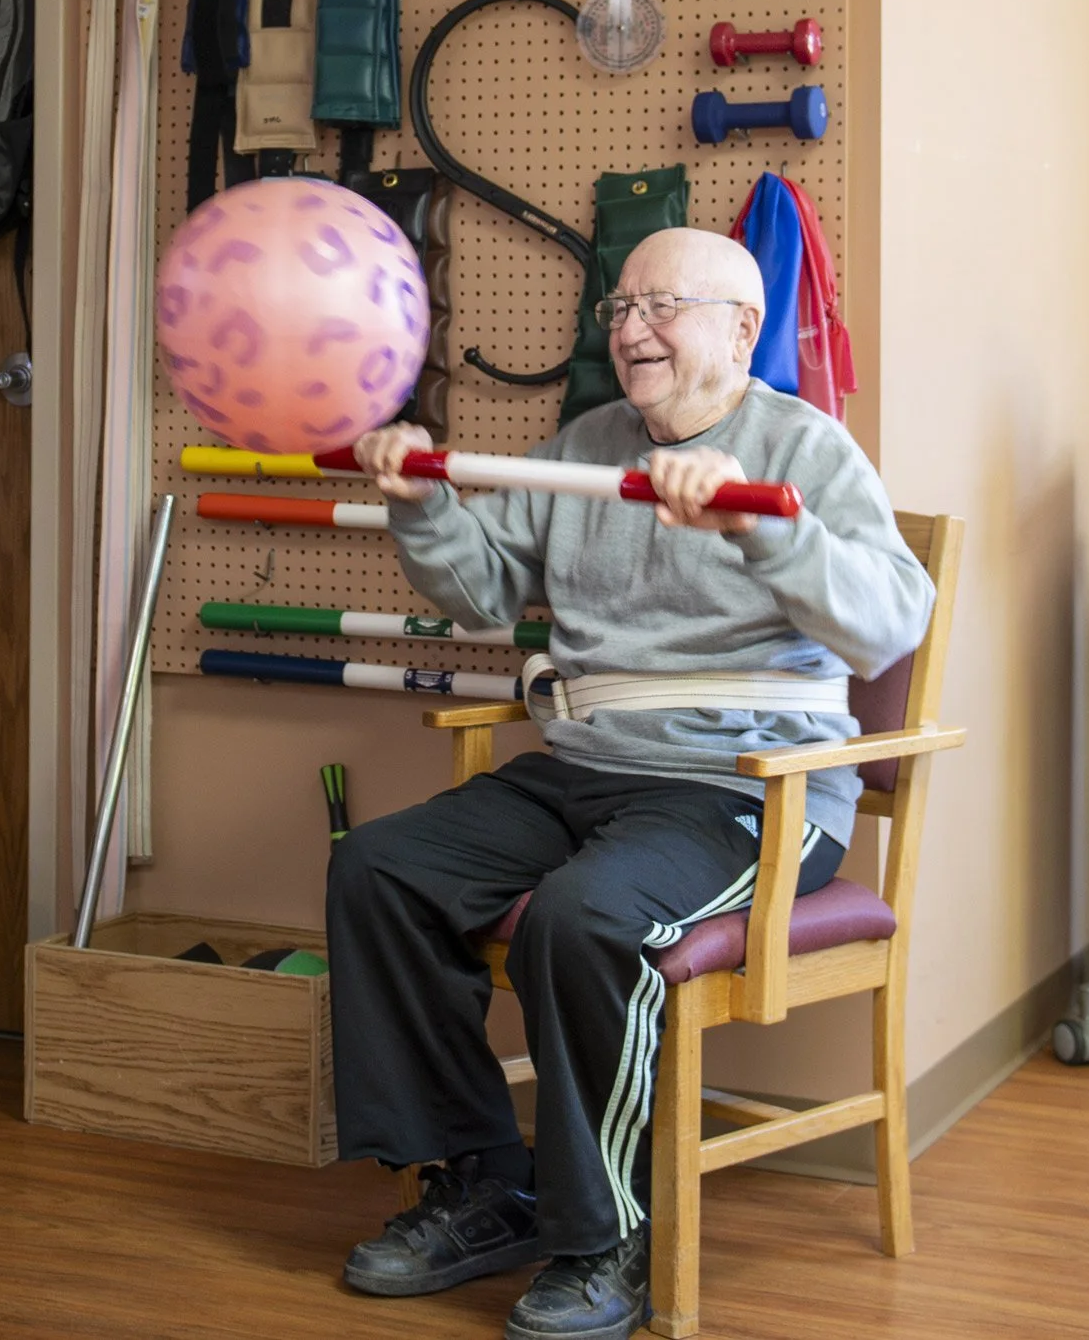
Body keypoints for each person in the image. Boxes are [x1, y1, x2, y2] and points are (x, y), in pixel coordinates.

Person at [327, 228, 933, 1340]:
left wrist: (756, 524)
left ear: (742, 329)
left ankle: (603, 1234)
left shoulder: (807, 449)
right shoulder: (589, 443)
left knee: (583, 919)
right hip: (589, 770)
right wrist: (416, 499)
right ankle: (480, 1184)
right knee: (378, 870)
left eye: (662, 306)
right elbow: (476, 594)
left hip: (749, 790)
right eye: (620, 308)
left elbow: (890, 619)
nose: (630, 329)